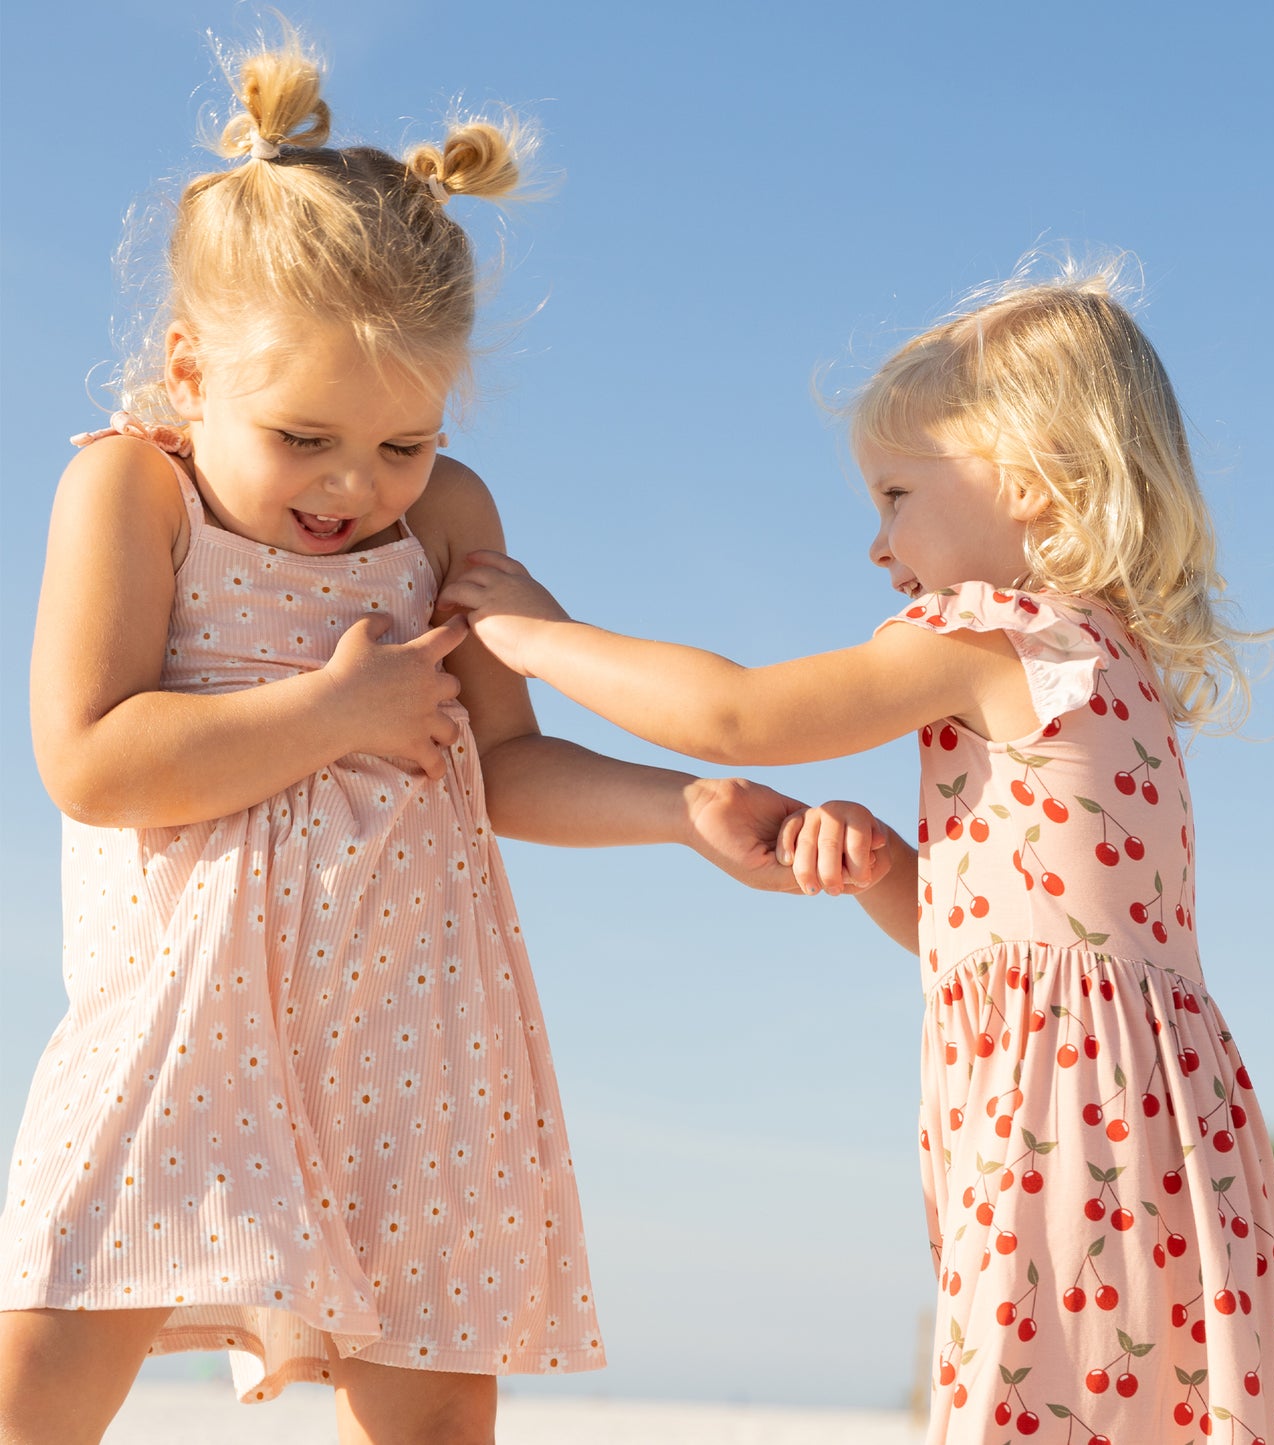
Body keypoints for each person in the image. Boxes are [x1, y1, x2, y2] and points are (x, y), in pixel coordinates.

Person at [0, 27, 866, 1445]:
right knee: (44, 1368)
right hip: (181, 1018)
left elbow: (502, 766)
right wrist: (334, 711)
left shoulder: (448, 519)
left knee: (436, 1412)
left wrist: (680, 807)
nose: (354, 485)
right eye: (304, 438)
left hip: (415, 1024)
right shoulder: (130, 492)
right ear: (187, 369)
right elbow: (90, 758)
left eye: (401, 444)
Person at [440, 263, 1274, 1444]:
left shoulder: (996, 635)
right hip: (1155, 1120)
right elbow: (1009, 929)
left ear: (1037, 485)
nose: (874, 543)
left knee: (1032, 1401)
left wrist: (542, 635)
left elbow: (737, 716)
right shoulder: (1109, 672)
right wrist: (890, 871)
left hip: (1061, 1111)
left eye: (895, 493)